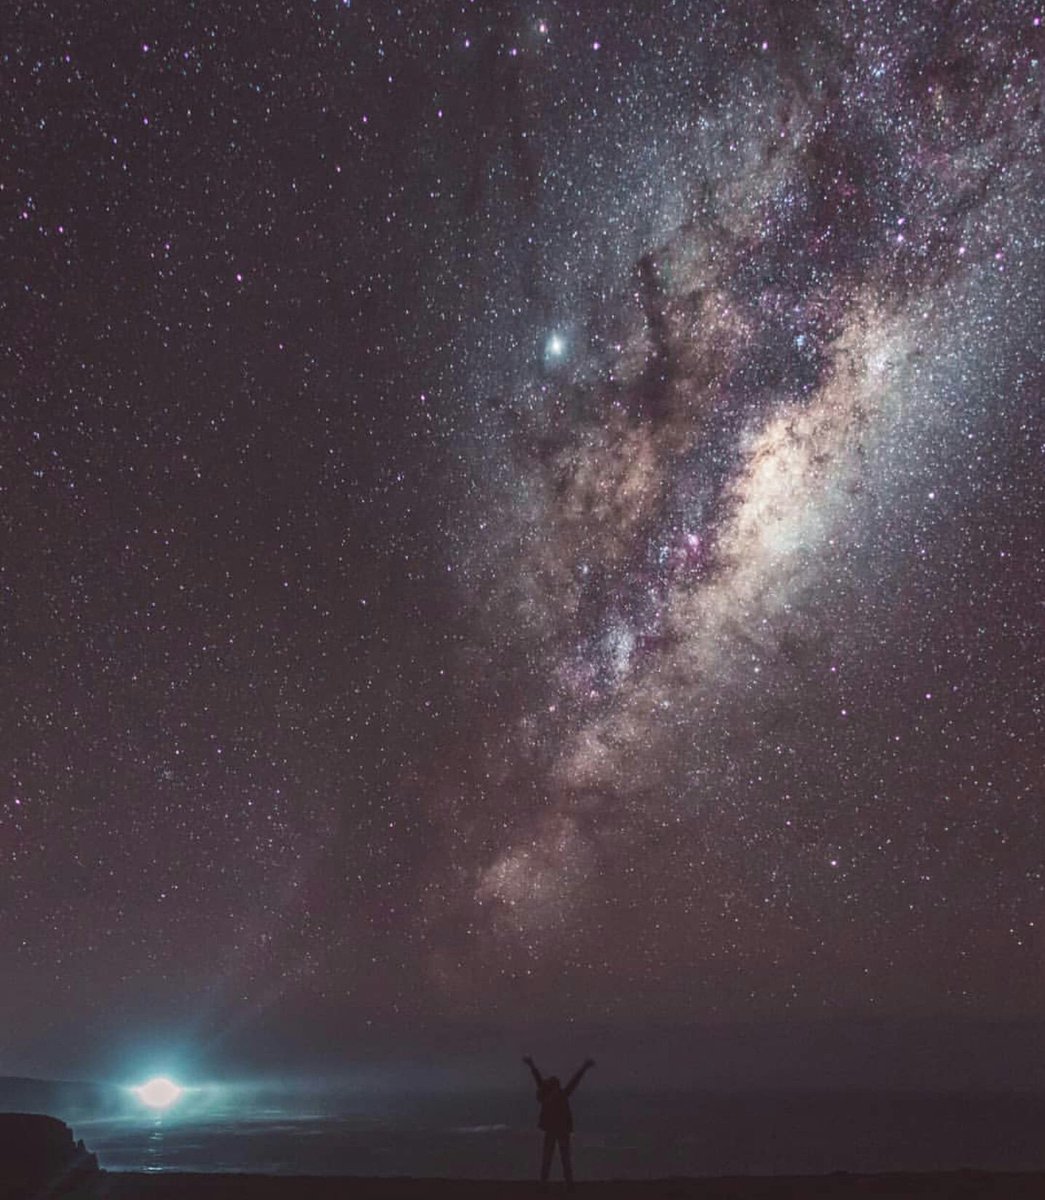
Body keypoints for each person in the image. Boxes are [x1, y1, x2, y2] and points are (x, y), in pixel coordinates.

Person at [522, 1054, 595, 1191]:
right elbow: (539, 1079)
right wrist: (531, 1065)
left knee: (560, 1158)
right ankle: (559, 1184)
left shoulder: (552, 1096)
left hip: (558, 1131)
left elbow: (573, 1081)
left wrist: (584, 1068)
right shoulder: (558, 1095)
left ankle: (559, 1184)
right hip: (557, 1131)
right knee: (554, 1158)